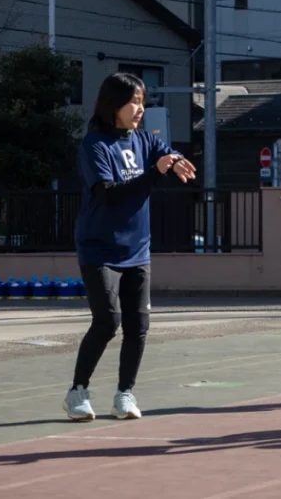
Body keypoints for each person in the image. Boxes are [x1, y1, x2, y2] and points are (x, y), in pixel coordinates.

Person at [64, 73, 196, 421]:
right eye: (134, 102)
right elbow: (109, 194)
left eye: (142, 102)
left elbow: (166, 154)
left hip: (137, 250)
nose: (140, 109)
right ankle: (77, 391)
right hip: (99, 249)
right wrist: (155, 173)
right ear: (114, 104)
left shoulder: (144, 140)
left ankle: (125, 394)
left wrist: (175, 160)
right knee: (108, 321)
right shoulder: (94, 145)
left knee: (138, 326)